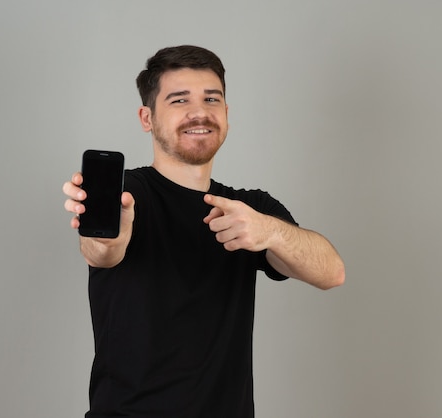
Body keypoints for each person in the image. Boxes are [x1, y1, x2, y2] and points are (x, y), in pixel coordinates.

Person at [63, 45, 345, 418]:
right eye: (179, 100)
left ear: (226, 114)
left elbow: (332, 273)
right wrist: (106, 237)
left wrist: (272, 233)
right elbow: (101, 252)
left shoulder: (248, 209)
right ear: (147, 118)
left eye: (211, 99)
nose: (199, 112)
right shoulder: (125, 193)